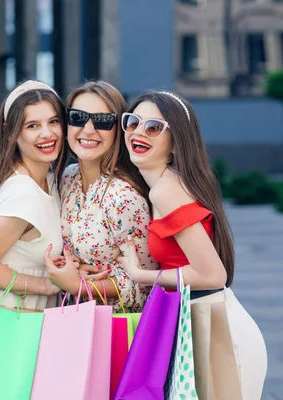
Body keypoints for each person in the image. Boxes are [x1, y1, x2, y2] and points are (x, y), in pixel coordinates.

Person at [117, 89, 267, 398]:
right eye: (133, 122)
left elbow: (213, 275)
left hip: (217, 331)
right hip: (202, 322)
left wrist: (138, 273)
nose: (139, 133)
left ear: (176, 143)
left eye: (154, 127)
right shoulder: (163, 185)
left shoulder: (166, 191)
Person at [44, 81, 158, 312]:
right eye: (77, 117)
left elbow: (145, 284)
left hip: (118, 333)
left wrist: (79, 286)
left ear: (119, 129)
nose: (88, 130)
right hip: (73, 323)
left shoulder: (123, 196)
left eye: (103, 121)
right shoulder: (67, 178)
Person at [0, 80, 70, 310]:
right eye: (32, 126)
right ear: (10, 132)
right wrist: (46, 285)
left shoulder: (49, 181)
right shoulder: (23, 193)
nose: (47, 133)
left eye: (53, 121)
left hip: (24, 315)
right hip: (7, 320)